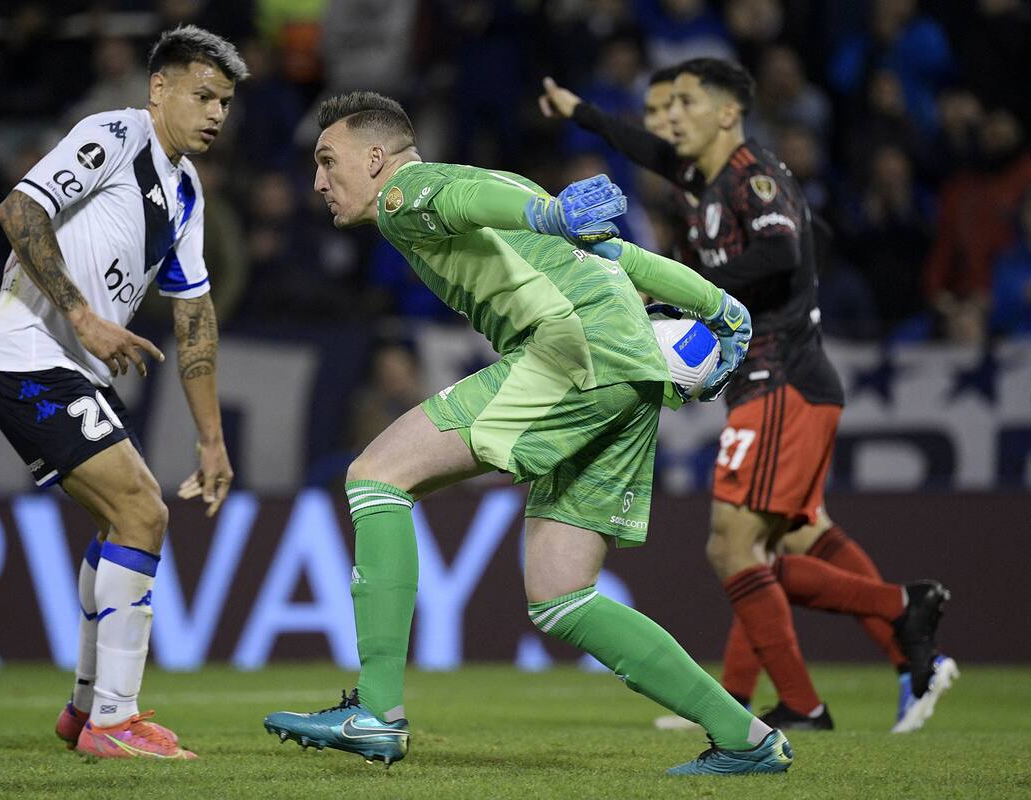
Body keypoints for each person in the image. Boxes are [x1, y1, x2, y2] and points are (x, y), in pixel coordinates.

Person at [263, 90, 794, 777]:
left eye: (327, 162)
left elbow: (463, 203)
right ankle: (745, 737)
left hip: (573, 354)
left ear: (374, 157)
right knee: (561, 593)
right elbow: (619, 257)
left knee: (376, 475)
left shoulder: (410, 191)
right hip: (630, 372)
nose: (318, 182)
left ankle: (377, 711)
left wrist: (546, 211)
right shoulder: (507, 184)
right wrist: (718, 304)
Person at [539, 58, 955, 733]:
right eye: (664, 106)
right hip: (768, 377)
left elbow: (786, 250)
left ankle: (895, 618)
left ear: (726, 113)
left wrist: (686, 285)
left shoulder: (750, 174)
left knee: (735, 550)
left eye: (683, 105)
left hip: (781, 375)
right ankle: (893, 662)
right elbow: (642, 149)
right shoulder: (698, 174)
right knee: (794, 538)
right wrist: (580, 109)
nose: (670, 119)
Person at [0, 25, 246, 760]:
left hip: (72, 367)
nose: (216, 112)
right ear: (159, 89)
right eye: (202, 94)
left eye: (224, 101)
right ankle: (113, 723)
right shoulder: (116, 133)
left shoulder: (186, 192)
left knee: (119, 523)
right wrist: (83, 315)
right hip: (30, 350)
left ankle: (86, 708)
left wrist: (212, 438)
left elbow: (194, 320)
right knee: (141, 511)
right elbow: (17, 212)